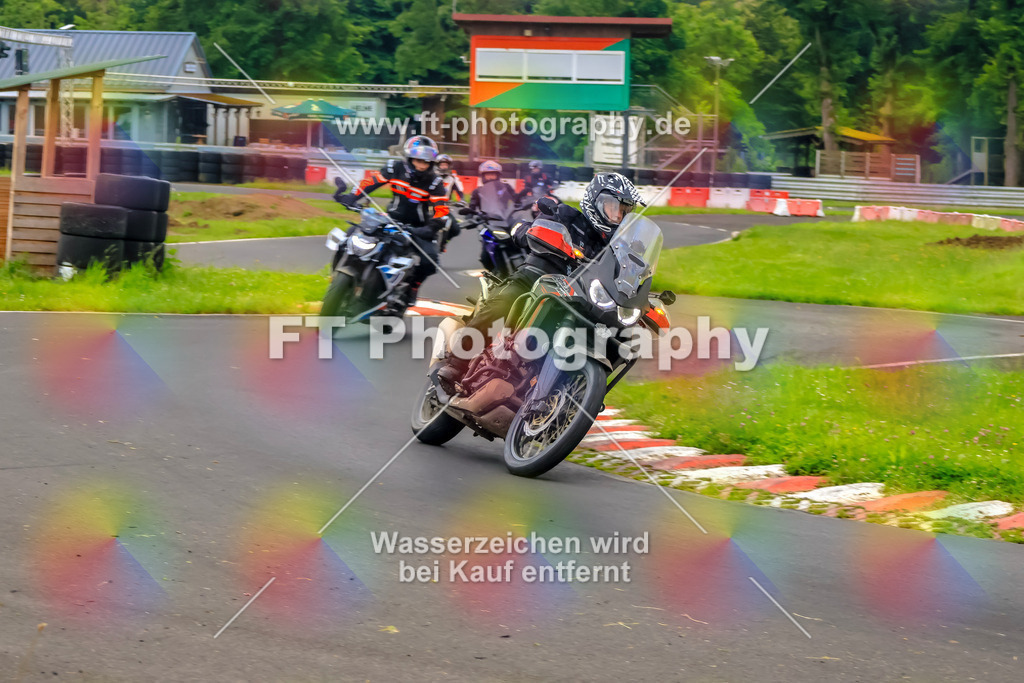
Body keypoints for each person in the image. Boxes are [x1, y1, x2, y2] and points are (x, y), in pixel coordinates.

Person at [437, 172, 646, 386]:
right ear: (596, 202)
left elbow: (624, 277)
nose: (619, 217)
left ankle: (573, 390)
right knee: (505, 301)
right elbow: (530, 226)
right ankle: (457, 363)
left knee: (614, 336)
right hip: (536, 278)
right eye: (615, 208)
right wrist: (528, 232)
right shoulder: (566, 215)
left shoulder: (615, 247)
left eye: (624, 211)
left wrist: (638, 294)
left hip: (578, 298)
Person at [337, 135, 449, 307]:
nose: (421, 165)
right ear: (409, 158)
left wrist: (433, 226)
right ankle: (336, 277)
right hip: (391, 219)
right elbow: (370, 182)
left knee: (430, 261)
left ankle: (413, 288)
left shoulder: (435, 182)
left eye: (426, 162)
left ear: (431, 163)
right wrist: (352, 196)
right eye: (418, 160)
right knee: (350, 236)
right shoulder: (394, 168)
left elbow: (441, 209)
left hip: (418, 228)